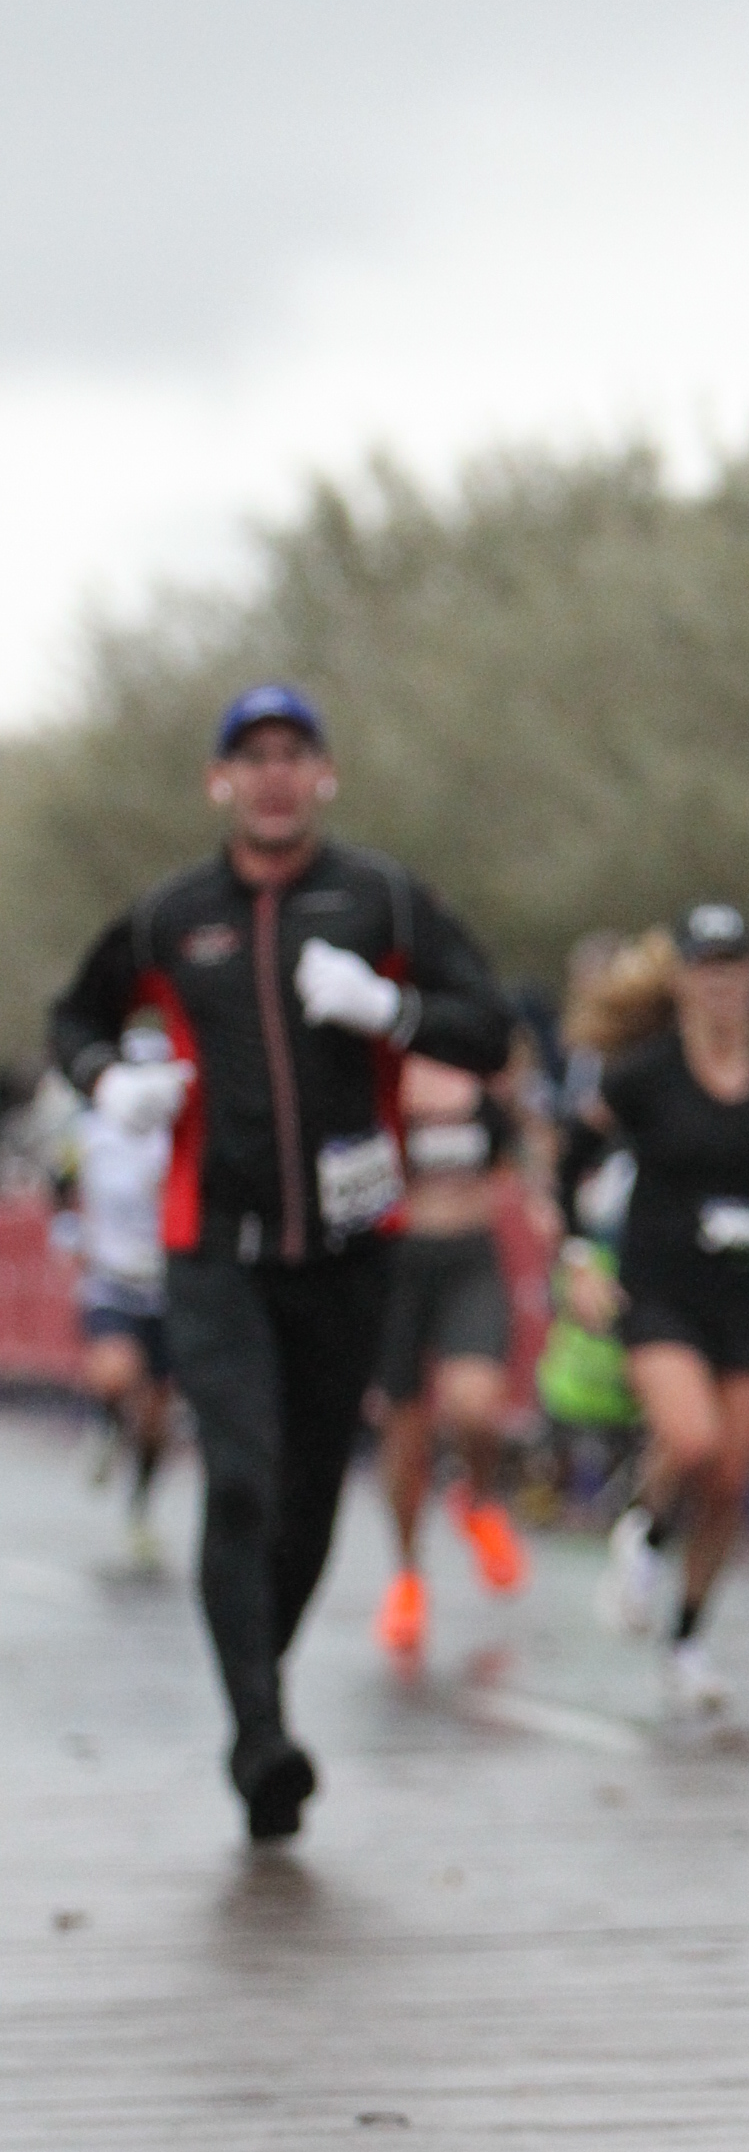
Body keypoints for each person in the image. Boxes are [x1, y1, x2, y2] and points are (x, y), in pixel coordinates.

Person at [47, 684, 511, 1841]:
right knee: (242, 1476)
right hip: (216, 1250)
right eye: (250, 757)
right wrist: (112, 1080)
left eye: (291, 754)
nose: (271, 775)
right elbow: (72, 1019)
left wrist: (390, 1010)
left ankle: (259, 1687)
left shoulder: (381, 897)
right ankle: (260, 1738)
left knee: (307, 1493)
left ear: (323, 775)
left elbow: (488, 1027)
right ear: (220, 782)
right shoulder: (171, 917)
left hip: (352, 1251)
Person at [566, 907, 749, 1714]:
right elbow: (572, 1157)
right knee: (690, 1437)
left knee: (729, 1479)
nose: (720, 986)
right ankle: (639, 1532)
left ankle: (687, 1639)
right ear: (680, 980)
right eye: (705, 969)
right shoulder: (642, 1074)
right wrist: (578, 1256)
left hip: (747, 1291)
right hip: (661, 1286)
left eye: (733, 969)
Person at [371, 1052, 539, 1658]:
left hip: (470, 1257)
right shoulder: (381, 1075)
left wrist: (540, 1198)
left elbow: (520, 1152)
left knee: (475, 1404)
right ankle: (407, 1575)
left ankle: (479, 1498)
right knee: (404, 1426)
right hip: (398, 1263)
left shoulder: (483, 1079)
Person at [53, 1014, 178, 1567]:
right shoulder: (89, 1131)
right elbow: (60, 1183)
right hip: (111, 1278)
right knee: (115, 1370)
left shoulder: (180, 1137)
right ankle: (105, 1425)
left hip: (168, 1287)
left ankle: (139, 1510)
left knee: (155, 1419)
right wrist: (69, 1233)